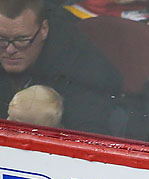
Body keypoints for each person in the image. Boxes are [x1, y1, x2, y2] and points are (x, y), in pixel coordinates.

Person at [0, 0, 122, 135]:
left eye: (21, 39)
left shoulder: (82, 67)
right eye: (1, 39)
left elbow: (90, 137)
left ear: (43, 30)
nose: (10, 49)